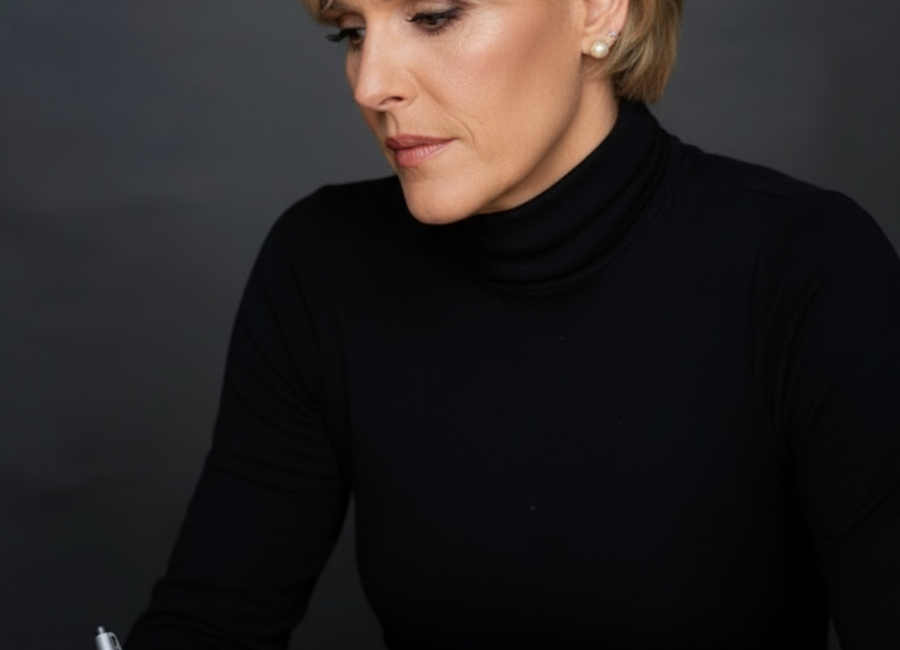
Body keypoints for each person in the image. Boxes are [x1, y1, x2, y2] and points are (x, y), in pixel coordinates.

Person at [125, 0, 900, 648]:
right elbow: (212, 620)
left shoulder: (803, 265)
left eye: (434, 15)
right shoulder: (323, 263)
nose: (371, 84)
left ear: (598, 10)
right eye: (351, 32)